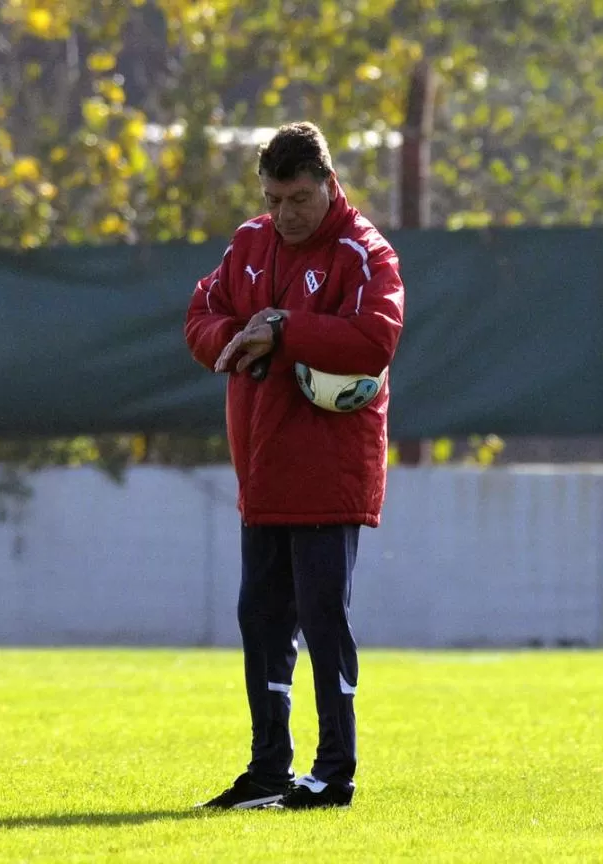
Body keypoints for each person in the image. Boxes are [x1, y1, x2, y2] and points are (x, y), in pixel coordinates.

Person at [184, 122, 405, 810]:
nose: (285, 213)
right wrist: (235, 337)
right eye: (275, 198)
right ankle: (268, 769)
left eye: (299, 198)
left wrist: (283, 330)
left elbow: (375, 339)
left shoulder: (365, 253)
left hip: (329, 471)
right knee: (261, 617)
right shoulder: (248, 244)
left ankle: (335, 771)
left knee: (322, 618)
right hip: (264, 468)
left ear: (330, 186)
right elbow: (200, 314)